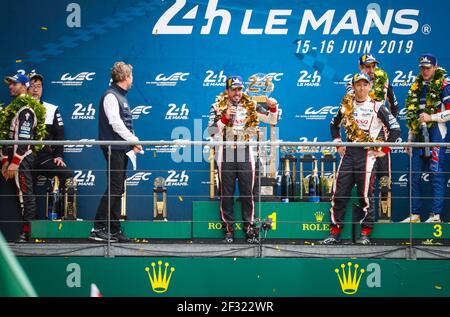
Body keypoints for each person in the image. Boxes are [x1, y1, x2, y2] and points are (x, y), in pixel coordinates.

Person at [322, 72, 401, 245]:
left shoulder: (377, 106)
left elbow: (395, 129)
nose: (362, 88)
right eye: (358, 84)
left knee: (365, 195)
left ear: (370, 87)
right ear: (353, 86)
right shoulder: (347, 105)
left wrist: (384, 150)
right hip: (349, 153)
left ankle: (365, 233)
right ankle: (335, 232)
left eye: (365, 84)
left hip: (367, 154)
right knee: (339, 192)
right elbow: (333, 125)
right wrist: (338, 143)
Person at [208, 75, 279, 244]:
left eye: (239, 89)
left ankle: (250, 230)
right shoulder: (217, 105)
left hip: (245, 152)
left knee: (248, 194)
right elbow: (210, 131)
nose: (237, 93)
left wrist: (273, 107)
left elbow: (272, 120)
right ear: (227, 91)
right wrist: (224, 117)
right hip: (226, 152)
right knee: (227, 195)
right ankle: (228, 231)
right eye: (233, 89)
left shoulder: (251, 105)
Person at [90, 62, 142, 243]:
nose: (132, 79)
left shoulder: (121, 96)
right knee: (115, 187)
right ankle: (98, 227)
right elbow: (116, 123)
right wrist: (133, 140)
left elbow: (124, 124)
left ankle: (113, 229)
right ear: (126, 77)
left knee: (118, 188)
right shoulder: (111, 96)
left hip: (121, 148)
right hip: (113, 148)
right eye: (131, 76)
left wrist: (132, 144)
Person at [346, 53, 399, 220]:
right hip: (360, 138)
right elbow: (350, 109)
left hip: (381, 134)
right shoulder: (353, 84)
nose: (371, 70)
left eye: (373, 66)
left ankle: (385, 217)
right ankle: (365, 219)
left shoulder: (385, 81)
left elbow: (394, 104)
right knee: (364, 180)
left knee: (384, 177)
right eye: (367, 66)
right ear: (360, 67)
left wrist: (388, 123)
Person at [402, 54, 450, 223]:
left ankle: (435, 216)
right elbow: (413, 115)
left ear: (435, 68)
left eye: (428, 67)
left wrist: (432, 118)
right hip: (418, 136)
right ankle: (415, 214)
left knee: (437, 175)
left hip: (437, 135)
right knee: (413, 175)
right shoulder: (416, 86)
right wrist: (410, 136)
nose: (425, 70)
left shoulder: (444, 84)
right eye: (422, 67)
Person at [0, 72, 46, 242]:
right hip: (12, 159)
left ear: (24, 86)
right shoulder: (13, 107)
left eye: (14, 83)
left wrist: (15, 162)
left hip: (22, 159)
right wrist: (5, 161)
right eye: (9, 84)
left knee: (25, 194)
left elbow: (25, 140)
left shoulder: (26, 110)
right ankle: (16, 232)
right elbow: (6, 136)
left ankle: (27, 233)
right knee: (17, 195)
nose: (11, 87)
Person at [28, 71, 76, 219]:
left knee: (67, 175)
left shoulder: (51, 108)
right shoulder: (19, 108)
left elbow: (59, 135)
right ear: (27, 88)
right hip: (26, 159)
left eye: (39, 86)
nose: (36, 89)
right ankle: (29, 226)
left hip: (44, 158)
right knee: (26, 191)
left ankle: (63, 217)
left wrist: (59, 155)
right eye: (32, 86)